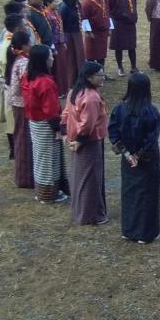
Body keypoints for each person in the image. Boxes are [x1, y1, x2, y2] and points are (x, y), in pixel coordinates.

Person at [108, 72, 160, 243]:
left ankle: (129, 229)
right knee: (147, 194)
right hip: (147, 161)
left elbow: (113, 133)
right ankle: (145, 233)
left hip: (127, 159)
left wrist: (127, 154)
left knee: (129, 193)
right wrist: (138, 155)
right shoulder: (151, 111)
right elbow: (151, 139)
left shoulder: (119, 109)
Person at [63, 62, 109, 225]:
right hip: (89, 142)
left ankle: (80, 211)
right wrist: (80, 141)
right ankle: (91, 214)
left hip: (76, 140)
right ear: (90, 78)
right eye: (100, 75)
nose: (103, 78)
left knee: (79, 176)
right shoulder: (91, 97)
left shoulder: (74, 92)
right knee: (91, 178)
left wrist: (66, 135)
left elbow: (66, 114)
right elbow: (88, 124)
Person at [22, 44, 68, 204]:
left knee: (40, 156)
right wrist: (58, 128)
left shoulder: (28, 75)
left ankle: (43, 191)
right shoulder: (45, 82)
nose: (52, 57)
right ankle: (48, 194)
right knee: (49, 158)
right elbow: (51, 109)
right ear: (43, 60)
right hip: (46, 124)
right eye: (50, 56)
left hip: (34, 122)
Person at [5, 29, 34, 189]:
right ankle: (25, 177)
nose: (32, 44)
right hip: (22, 104)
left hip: (18, 103)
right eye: (30, 41)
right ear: (24, 45)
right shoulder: (23, 63)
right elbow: (25, 88)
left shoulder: (19, 58)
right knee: (24, 140)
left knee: (22, 137)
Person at [0, 14, 24, 160]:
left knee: (11, 121)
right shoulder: (12, 46)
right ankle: (15, 150)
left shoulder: (6, 41)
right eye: (23, 24)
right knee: (14, 122)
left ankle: (14, 150)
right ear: (19, 27)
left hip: (7, 85)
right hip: (13, 88)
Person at [106, 0, 138, 76]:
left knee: (131, 46)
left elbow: (134, 5)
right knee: (118, 46)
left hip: (130, 23)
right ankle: (120, 67)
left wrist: (134, 17)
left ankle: (134, 67)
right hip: (118, 24)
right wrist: (112, 23)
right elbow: (108, 10)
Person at [58, 0, 87, 93]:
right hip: (68, 35)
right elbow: (61, 24)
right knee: (70, 59)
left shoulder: (77, 4)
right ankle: (71, 83)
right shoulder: (64, 7)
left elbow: (83, 17)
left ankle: (80, 81)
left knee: (80, 57)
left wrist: (87, 30)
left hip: (76, 34)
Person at [81, 0, 112, 76]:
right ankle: (90, 75)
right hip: (93, 34)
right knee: (91, 55)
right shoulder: (86, 2)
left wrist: (110, 27)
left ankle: (101, 74)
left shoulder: (104, 0)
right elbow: (84, 18)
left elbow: (108, 14)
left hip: (103, 32)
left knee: (102, 55)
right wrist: (88, 32)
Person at [41, 0, 68, 97]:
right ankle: (58, 90)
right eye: (55, 2)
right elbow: (49, 33)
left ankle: (64, 89)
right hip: (54, 45)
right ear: (48, 3)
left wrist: (64, 41)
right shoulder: (46, 15)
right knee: (56, 67)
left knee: (63, 66)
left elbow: (61, 27)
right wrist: (52, 48)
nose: (57, 3)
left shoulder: (56, 12)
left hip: (60, 43)